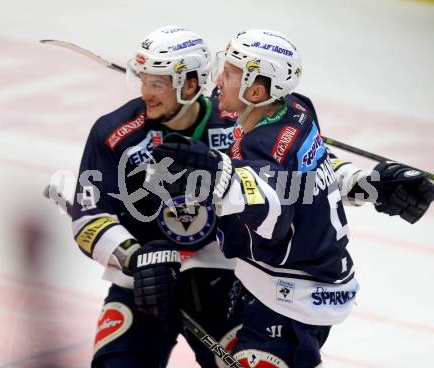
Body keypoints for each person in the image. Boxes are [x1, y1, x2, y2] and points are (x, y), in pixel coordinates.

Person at [150, 28, 434, 368]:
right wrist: (366, 183)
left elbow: (273, 206)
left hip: (291, 298)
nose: (218, 78)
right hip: (292, 284)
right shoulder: (295, 109)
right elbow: (312, 172)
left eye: (228, 74)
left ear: (255, 90)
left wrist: (220, 175)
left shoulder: (264, 144)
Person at [71, 25, 240, 368]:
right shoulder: (115, 132)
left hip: (225, 281)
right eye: (143, 80)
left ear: (191, 85)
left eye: (158, 84)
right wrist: (136, 259)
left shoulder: (238, 124)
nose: (146, 93)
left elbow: (285, 179)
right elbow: (88, 217)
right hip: (142, 281)